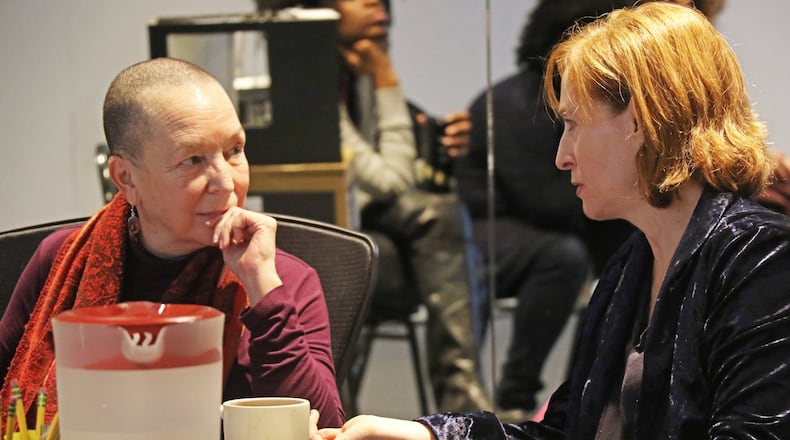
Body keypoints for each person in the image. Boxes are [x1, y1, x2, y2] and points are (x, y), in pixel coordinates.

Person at [314, 3, 790, 438]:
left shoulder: (759, 259)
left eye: (574, 124)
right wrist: (427, 435)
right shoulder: (633, 262)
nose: (562, 156)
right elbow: (566, 431)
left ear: (641, 120)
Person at [0, 58, 343, 428]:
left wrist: (263, 288)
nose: (226, 183)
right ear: (126, 178)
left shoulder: (280, 277)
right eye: (192, 160)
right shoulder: (64, 260)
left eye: (234, 151)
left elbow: (323, 427)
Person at [256, 0, 492, 413]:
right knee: (436, 228)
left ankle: (463, 404)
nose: (375, 4)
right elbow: (391, 180)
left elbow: (389, 178)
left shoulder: (353, 69)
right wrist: (386, 77)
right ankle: (461, 403)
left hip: (358, 216)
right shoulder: (304, 72)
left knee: (443, 217)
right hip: (311, 224)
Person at [457, 0, 642, 421]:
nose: (563, 156)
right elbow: (547, 202)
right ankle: (524, 395)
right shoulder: (515, 105)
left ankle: (589, 388)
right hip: (487, 227)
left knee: (624, 251)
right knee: (567, 257)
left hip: (551, 224)